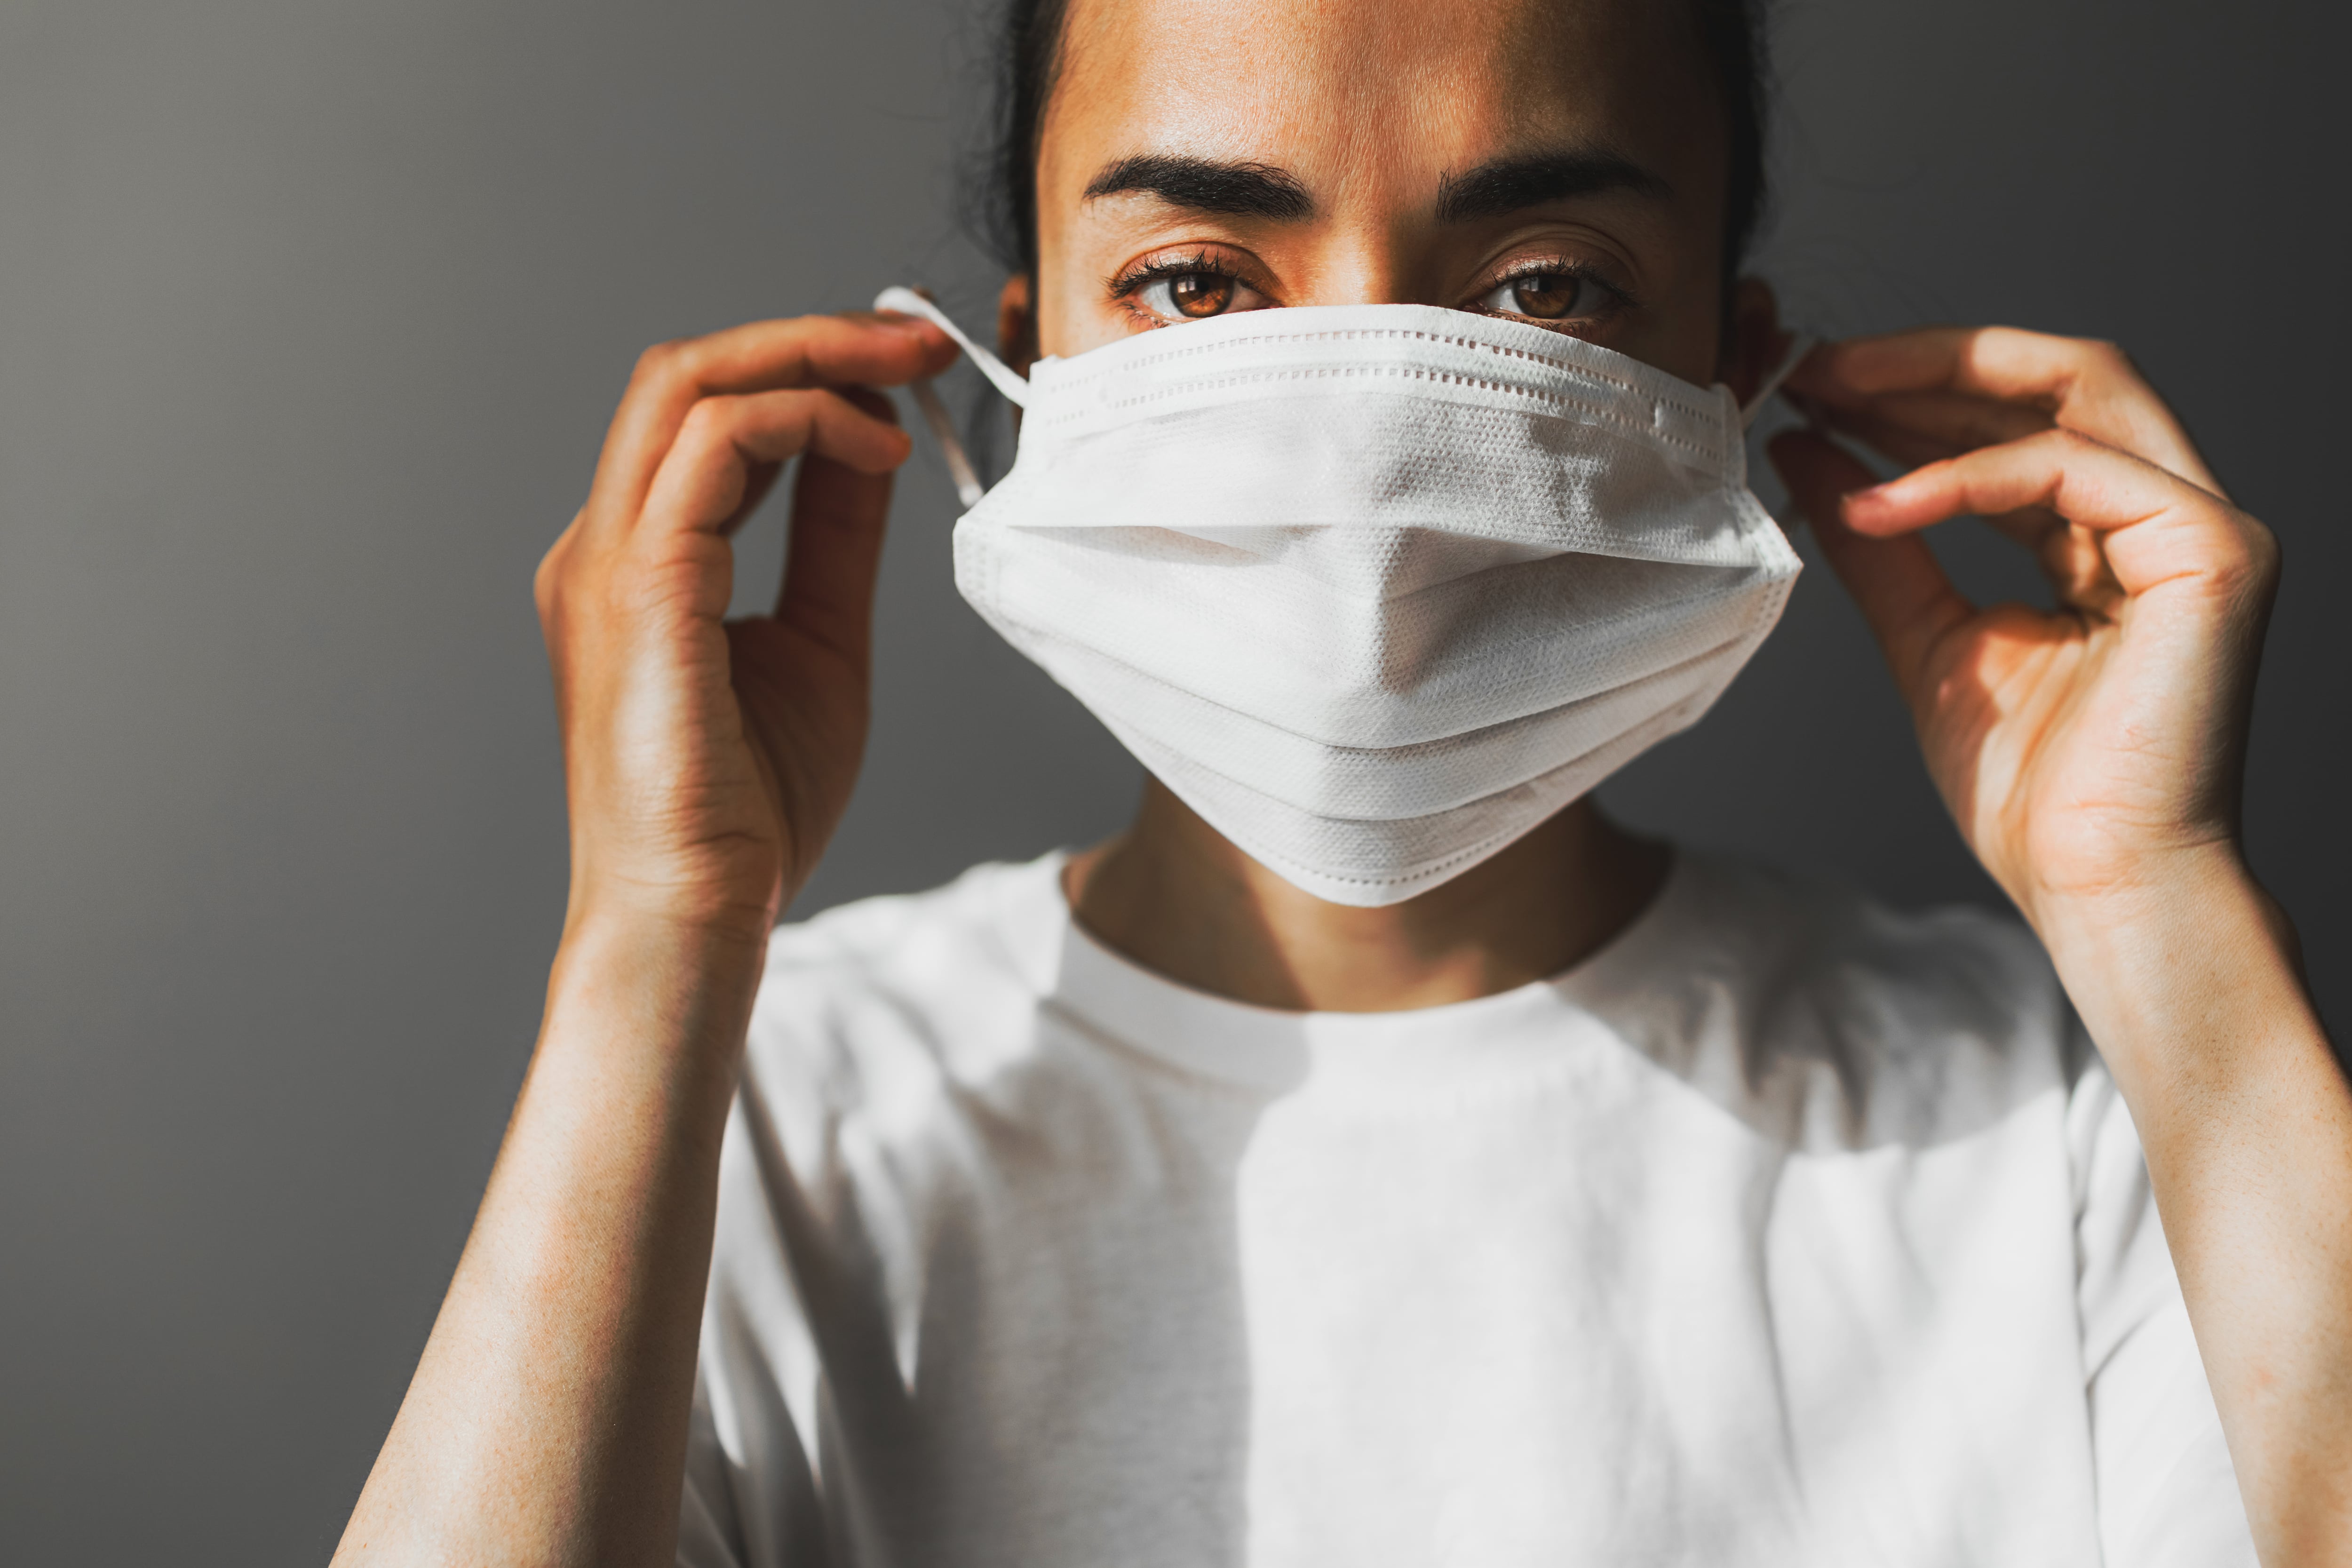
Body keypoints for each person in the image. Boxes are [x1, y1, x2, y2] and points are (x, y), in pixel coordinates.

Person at [330, 0, 2351, 1562]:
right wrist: (655, 943)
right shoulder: (766, 1113)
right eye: (1200, 281)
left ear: (1727, 388)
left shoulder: (2065, 1115)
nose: (1374, 442)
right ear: (1029, 370)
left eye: (1543, 284)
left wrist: (2153, 909)